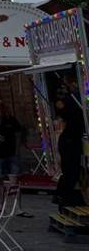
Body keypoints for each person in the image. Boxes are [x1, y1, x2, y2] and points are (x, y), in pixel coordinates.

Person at [54, 76, 85, 207]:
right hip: (68, 141)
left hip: (74, 140)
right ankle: (63, 195)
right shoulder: (68, 101)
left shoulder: (76, 101)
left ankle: (64, 195)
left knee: (73, 171)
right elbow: (61, 119)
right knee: (70, 171)